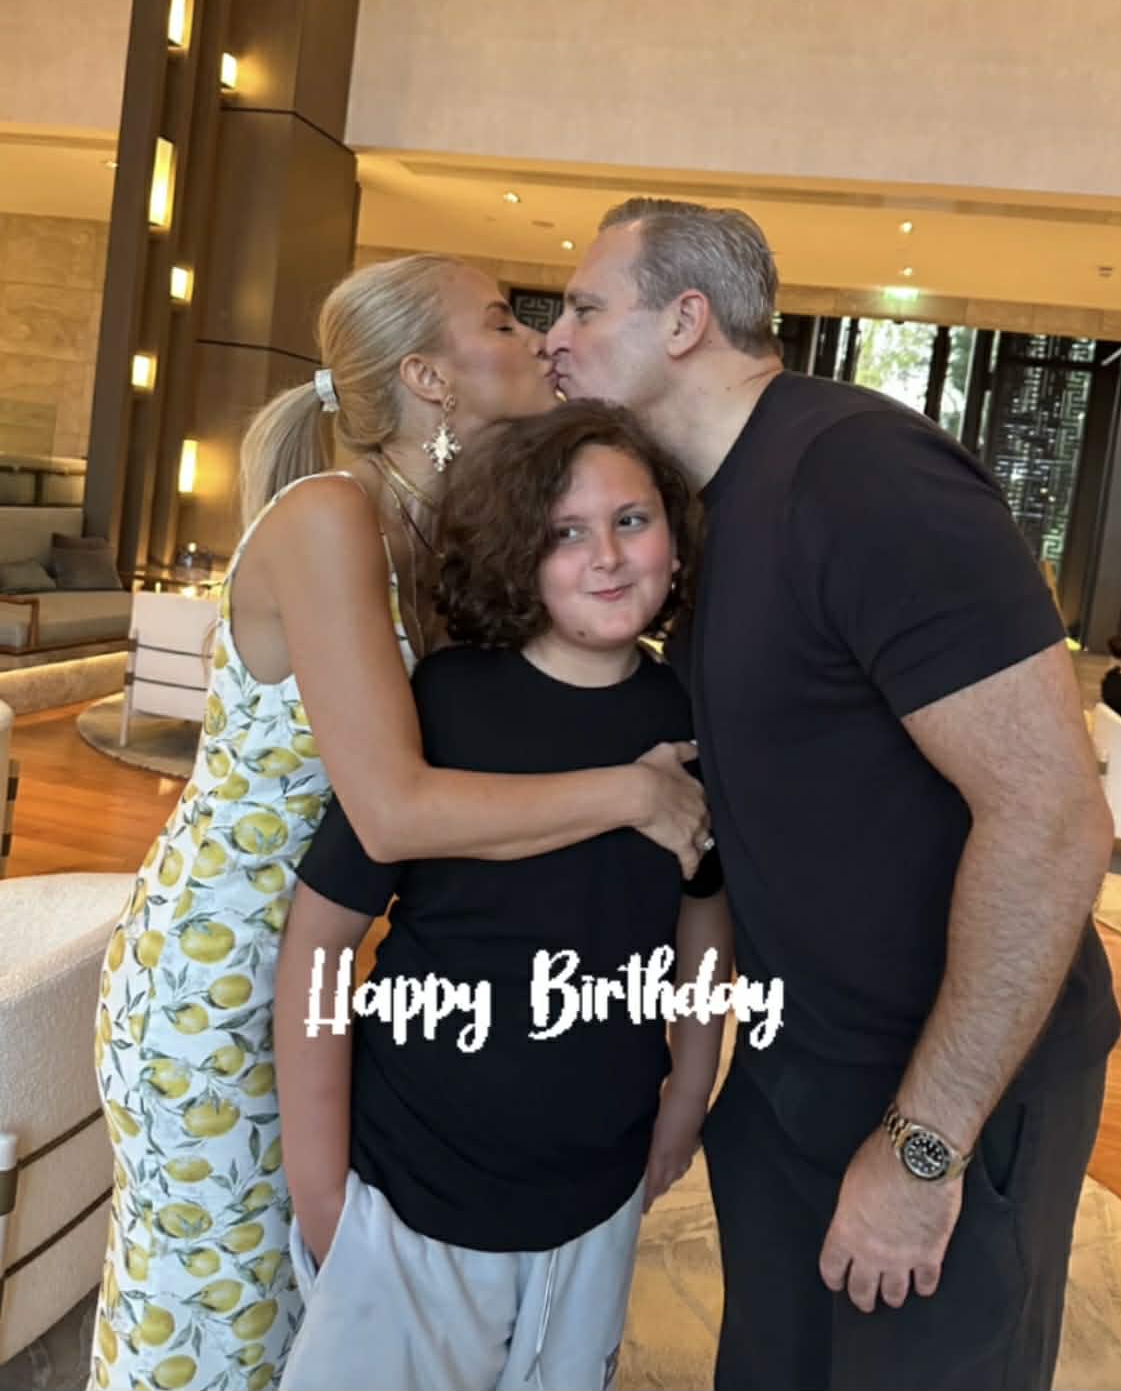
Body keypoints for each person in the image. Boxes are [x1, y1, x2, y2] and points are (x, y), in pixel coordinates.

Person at [87, 257, 709, 1391]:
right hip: (222, 966)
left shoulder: (427, 539)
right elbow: (393, 809)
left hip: (327, 960)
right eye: (502, 322)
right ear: (428, 376)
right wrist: (636, 792)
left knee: (311, 1322)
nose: (539, 340)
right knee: (206, 1323)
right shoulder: (331, 516)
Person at [546, 198, 1121, 1391]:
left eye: (584, 308)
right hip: (796, 1075)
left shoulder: (860, 473)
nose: (555, 338)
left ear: (686, 321)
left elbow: (1053, 818)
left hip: (948, 1084)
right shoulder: (708, 513)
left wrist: (923, 1147)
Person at [273, 400, 731, 1391]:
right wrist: (317, 1186)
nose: (605, 556)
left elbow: (704, 914)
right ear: (519, 549)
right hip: (411, 1184)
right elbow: (322, 937)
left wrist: (688, 1092)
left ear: (674, 534)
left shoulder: (691, 714)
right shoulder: (448, 702)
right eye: (566, 532)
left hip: (596, 1186)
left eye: (631, 520)